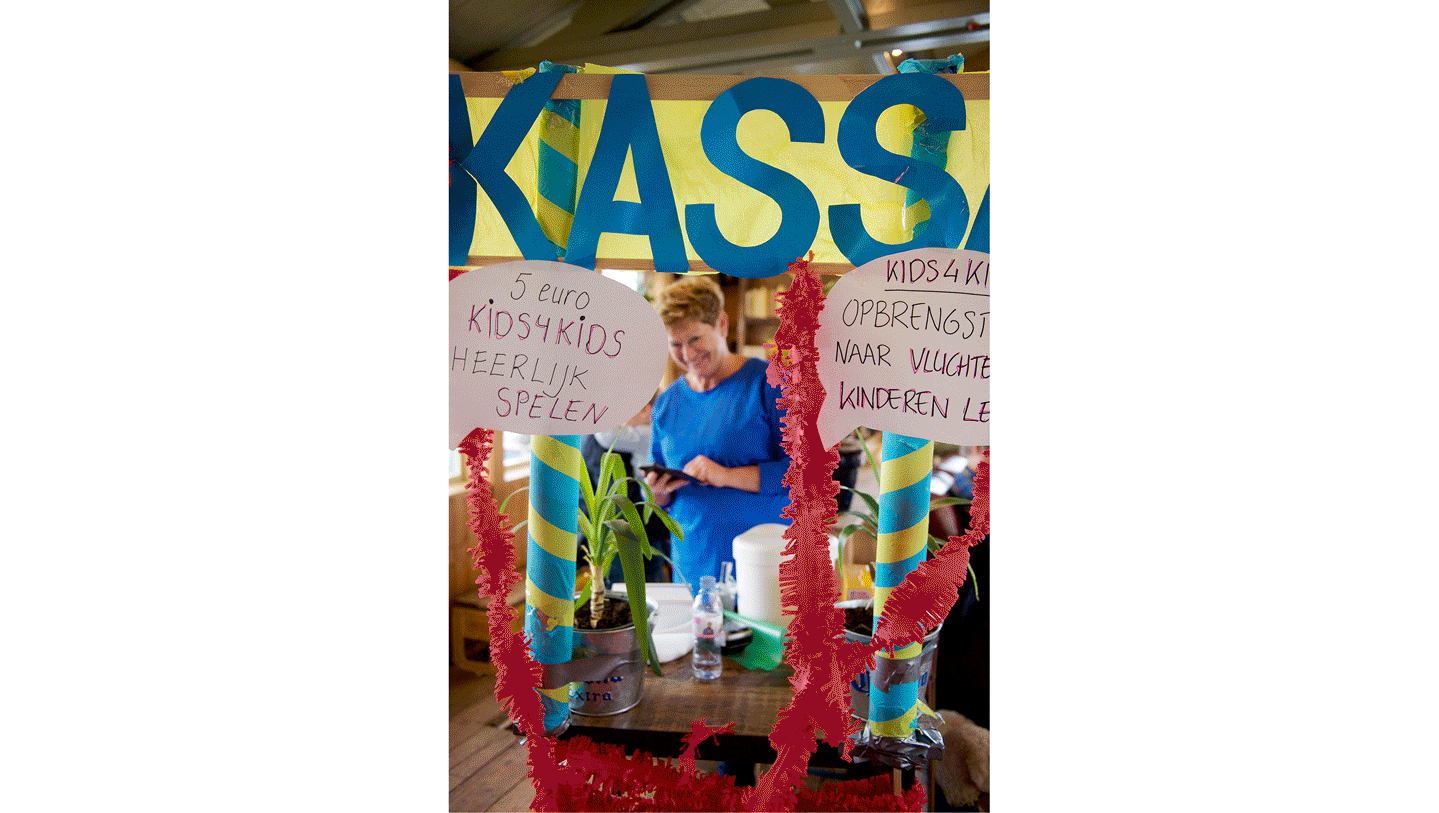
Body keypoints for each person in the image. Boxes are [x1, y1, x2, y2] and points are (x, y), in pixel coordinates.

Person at [642, 275, 791, 588]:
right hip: (692, 566)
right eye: (675, 344)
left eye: (695, 339)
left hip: (762, 567)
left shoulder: (770, 383)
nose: (687, 354)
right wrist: (657, 494)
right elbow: (662, 493)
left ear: (721, 324)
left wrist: (726, 475)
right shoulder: (667, 403)